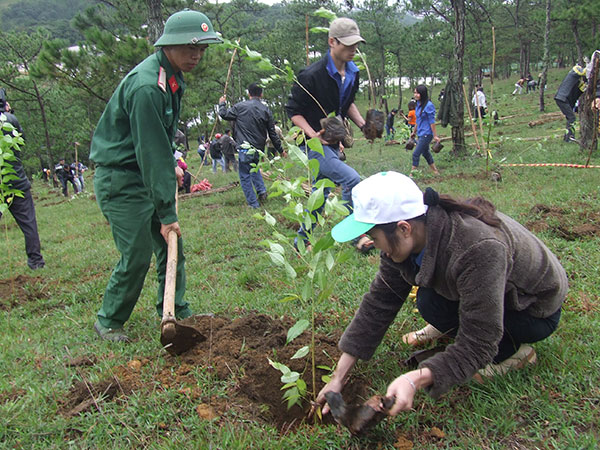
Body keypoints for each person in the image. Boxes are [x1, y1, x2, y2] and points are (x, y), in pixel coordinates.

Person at [314, 171, 567, 417]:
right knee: (428, 303)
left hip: (532, 309)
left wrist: (416, 379)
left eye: (374, 236)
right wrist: (338, 378)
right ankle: (452, 323)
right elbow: (379, 303)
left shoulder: (476, 248)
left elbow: (479, 341)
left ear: (404, 228)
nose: (372, 244)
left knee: (468, 331)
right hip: (490, 291)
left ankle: (514, 353)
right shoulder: (413, 235)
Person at [89, 10, 222, 342]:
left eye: (202, 49)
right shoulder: (148, 86)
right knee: (136, 253)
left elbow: (159, 141)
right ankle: (108, 320)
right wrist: (166, 212)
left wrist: (173, 164)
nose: (197, 55)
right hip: (122, 180)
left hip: (143, 171)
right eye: (191, 47)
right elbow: (148, 152)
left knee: (171, 245)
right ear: (170, 44)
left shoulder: (170, 77)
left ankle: (177, 310)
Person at [285, 17, 372, 252]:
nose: (353, 50)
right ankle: (356, 235)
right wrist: (313, 134)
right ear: (332, 42)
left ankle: (301, 242)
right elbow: (293, 111)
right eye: (348, 44)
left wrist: (364, 125)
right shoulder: (311, 75)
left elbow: (348, 103)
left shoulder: (353, 72)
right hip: (313, 143)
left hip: (332, 141)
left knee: (321, 192)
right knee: (352, 179)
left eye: (356, 45)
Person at [0, 90, 45, 270]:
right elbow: (21, 140)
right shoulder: (11, 120)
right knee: (28, 224)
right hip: (16, 180)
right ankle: (36, 262)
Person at [218, 82, 283, 208]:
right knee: (255, 170)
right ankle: (262, 191)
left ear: (249, 94)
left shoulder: (240, 107)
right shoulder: (266, 110)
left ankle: (253, 203)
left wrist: (222, 103)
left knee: (245, 175)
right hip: (259, 148)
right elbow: (273, 133)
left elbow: (224, 114)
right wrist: (280, 149)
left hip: (245, 147)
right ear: (261, 94)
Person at [410, 85, 440, 177]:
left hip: (427, 134)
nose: (415, 95)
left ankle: (412, 174)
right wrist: (414, 132)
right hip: (420, 133)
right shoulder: (418, 105)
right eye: (415, 92)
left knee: (416, 153)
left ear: (422, 94)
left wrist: (435, 135)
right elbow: (418, 121)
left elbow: (432, 122)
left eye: (417, 93)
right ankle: (435, 171)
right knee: (425, 152)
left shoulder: (429, 105)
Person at [554, 63, 587, 143]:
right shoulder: (575, 70)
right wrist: (590, 69)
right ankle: (569, 138)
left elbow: (577, 93)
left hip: (565, 99)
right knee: (572, 118)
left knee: (570, 118)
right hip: (562, 98)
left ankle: (567, 137)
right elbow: (581, 72)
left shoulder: (578, 82)